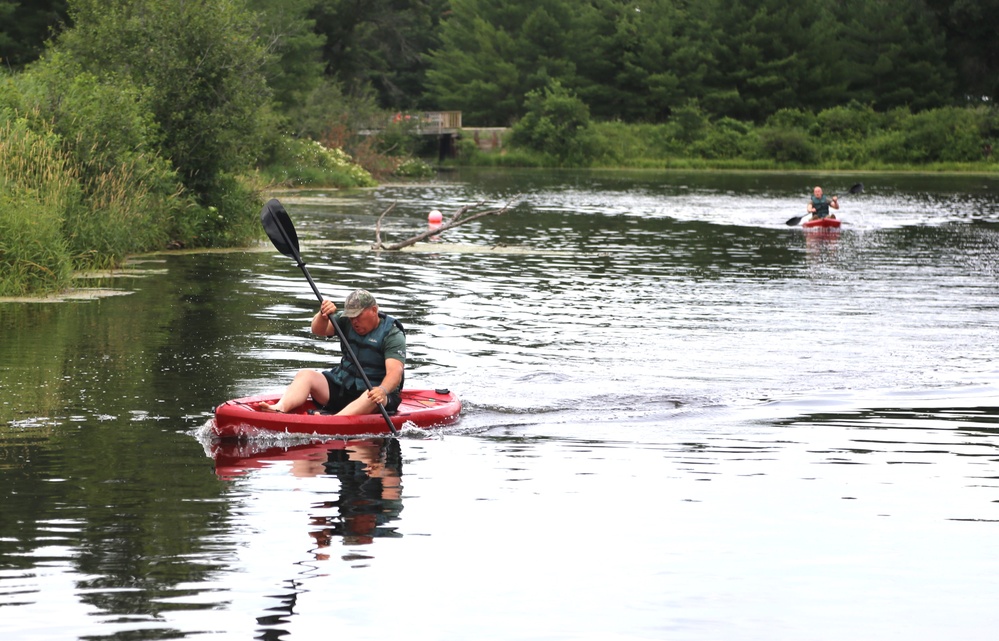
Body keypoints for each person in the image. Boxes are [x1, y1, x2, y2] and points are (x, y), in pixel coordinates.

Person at [257, 289, 406, 415]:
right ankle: (279, 408)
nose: (354, 321)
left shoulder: (392, 334)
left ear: (374, 310)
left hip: (376, 396)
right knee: (306, 375)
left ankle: (334, 420)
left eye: (358, 315)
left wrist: (382, 390)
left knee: (372, 395)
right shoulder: (346, 320)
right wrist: (323, 315)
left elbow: (395, 372)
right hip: (344, 388)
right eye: (351, 316)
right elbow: (318, 330)